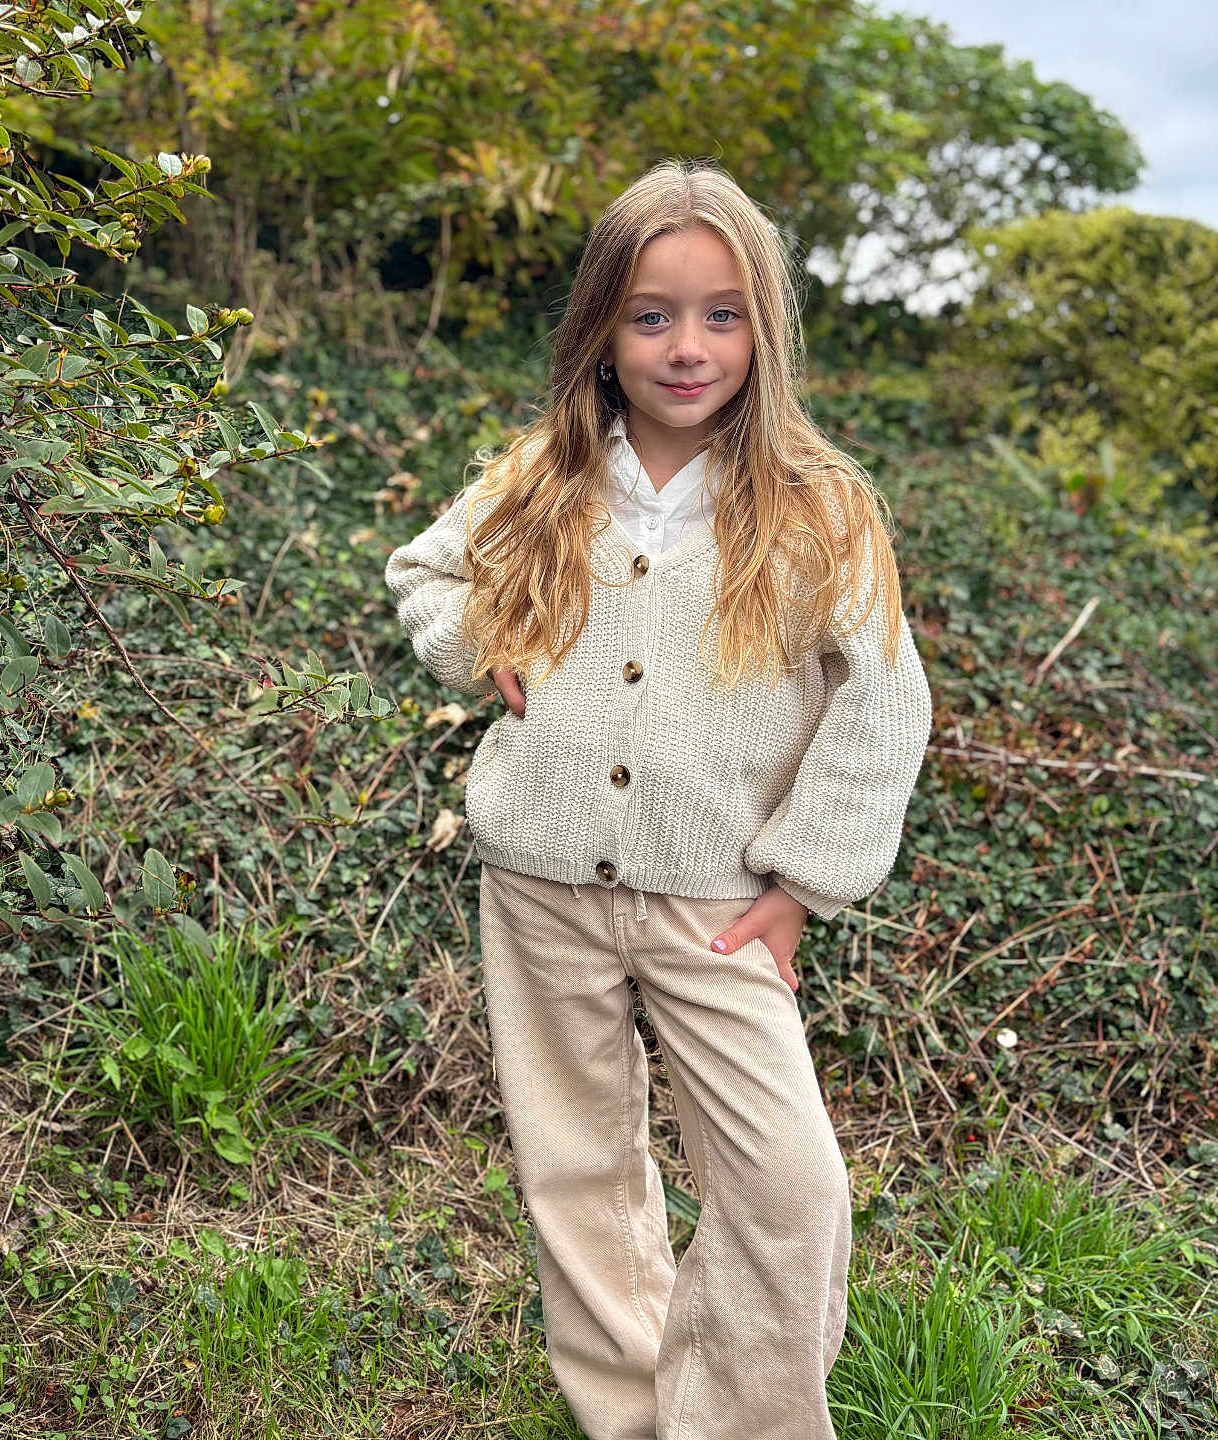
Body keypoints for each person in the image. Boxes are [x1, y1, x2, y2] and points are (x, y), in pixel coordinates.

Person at [384, 158, 932, 1440]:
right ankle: (630, 1418)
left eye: (722, 314)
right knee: (577, 1165)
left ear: (764, 331)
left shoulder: (821, 509)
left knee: (787, 1186)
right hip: (540, 883)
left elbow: (884, 702)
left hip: (721, 902)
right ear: (601, 330)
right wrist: (485, 644)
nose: (688, 348)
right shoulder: (540, 476)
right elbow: (424, 572)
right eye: (652, 315)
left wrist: (805, 884)